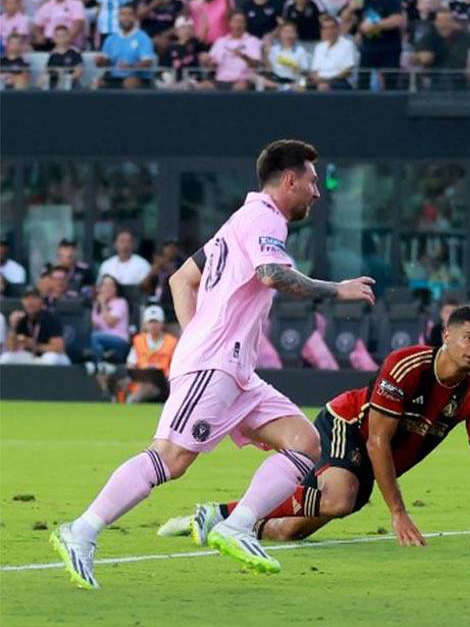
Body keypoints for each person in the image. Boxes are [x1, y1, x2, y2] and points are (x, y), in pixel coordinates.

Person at [49, 140, 377, 589]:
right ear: (289, 180)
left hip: (235, 370)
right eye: (313, 181)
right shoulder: (265, 218)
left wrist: (197, 334)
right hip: (215, 364)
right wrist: (337, 289)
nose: (317, 192)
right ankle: (81, 531)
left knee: (305, 442)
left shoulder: (239, 220)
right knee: (171, 458)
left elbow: (182, 278)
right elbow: (272, 275)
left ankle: (238, 525)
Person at [157, 306, 470, 547]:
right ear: (446, 335)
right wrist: (398, 512)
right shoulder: (406, 366)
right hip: (347, 425)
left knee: (287, 532)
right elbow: (377, 441)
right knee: (338, 499)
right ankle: (222, 516)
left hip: (374, 459)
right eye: (468, 338)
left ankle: (216, 516)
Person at [343, 0, 404, 89]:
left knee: (391, 83)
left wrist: (375, 25)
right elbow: (345, 17)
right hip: (368, 47)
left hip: (389, 47)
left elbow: (397, 20)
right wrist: (350, 8)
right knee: (363, 82)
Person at [118, 305, 179, 404]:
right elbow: (131, 364)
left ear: (162, 324)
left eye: (156, 322)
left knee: (149, 386)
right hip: (141, 380)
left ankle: (132, 401)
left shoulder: (171, 342)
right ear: (145, 324)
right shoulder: (139, 341)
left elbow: (176, 364)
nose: (153, 325)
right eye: (150, 322)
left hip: (163, 383)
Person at [0, 288, 70, 365]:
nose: (30, 302)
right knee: (6, 358)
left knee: (51, 359)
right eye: (27, 298)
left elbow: (58, 348)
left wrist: (35, 346)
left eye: (34, 298)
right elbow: (11, 348)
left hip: (52, 356)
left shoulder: (50, 318)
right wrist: (13, 326)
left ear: (41, 301)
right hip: (33, 356)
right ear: (23, 301)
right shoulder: (21, 319)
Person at [97, 5, 157, 89]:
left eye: (130, 14)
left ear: (135, 18)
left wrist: (130, 66)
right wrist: (99, 61)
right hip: (114, 77)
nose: (126, 18)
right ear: (118, 17)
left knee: (129, 83)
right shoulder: (110, 39)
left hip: (139, 78)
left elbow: (147, 62)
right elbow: (105, 63)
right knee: (97, 83)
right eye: (123, 14)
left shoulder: (143, 37)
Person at [89, 274, 130, 363]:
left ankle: (100, 365)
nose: (108, 288)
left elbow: (110, 322)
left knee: (94, 337)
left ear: (116, 289)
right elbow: (93, 325)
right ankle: (102, 359)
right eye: (105, 285)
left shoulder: (121, 302)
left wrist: (103, 304)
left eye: (111, 285)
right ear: (100, 288)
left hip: (119, 339)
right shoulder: (97, 305)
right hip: (101, 339)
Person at [309, 14, 357, 90]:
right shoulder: (319, 47)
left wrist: (327, 81)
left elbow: (347, 72)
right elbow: (314, 71)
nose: (329, 31)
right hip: (320, 82)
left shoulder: (348, 45)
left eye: (332, 27)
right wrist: (318, 81)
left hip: (339, 82)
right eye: (325, 28)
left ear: (338, 29)